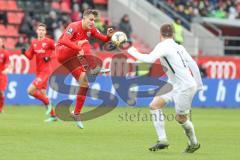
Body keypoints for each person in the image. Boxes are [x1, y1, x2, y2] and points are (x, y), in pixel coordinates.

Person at [127, 24, 203, 153]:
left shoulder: (163, 46)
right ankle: (162, 139)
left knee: (181, 119)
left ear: (160, 34)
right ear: (173, 34)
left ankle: (194, 143)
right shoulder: (179, 47)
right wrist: (199, 85)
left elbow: (148, 59)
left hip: (184, 86)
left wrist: (131, 50)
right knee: (154, 106)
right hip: (174, 83)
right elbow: (193, 64)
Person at [56, 9, 114, 129]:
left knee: (84, 83)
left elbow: (103, 39)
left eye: (94, 20)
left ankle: (76, 113)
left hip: (72, 58)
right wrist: (77, 47)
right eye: (91, 19)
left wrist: (108, 36)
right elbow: (63, 40)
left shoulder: (91, 29)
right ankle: (93, 68)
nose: (92, 22)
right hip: (62, 52)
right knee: (84, 42)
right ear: (84, 18)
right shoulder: (74, 26)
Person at [22, 23, 57, 122]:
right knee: (42, 93)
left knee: (30, 90)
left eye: (43, 30)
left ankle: (48, 102)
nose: (41, 31)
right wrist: (24, 53)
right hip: (38, 72)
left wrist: (49, 57)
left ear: (45, 32)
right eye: (39, 30)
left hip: (46, 71)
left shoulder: (49, 42)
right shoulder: (34, 42)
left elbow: (58, 50)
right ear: (37, 31)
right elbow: (29, 56)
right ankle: (53, 116)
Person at [0, 38, 10, 113]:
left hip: (2, 75)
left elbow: (8, 63)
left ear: (2, 43)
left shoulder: (5, 53)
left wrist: (7, 69)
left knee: (1, 92)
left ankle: (0, 108)